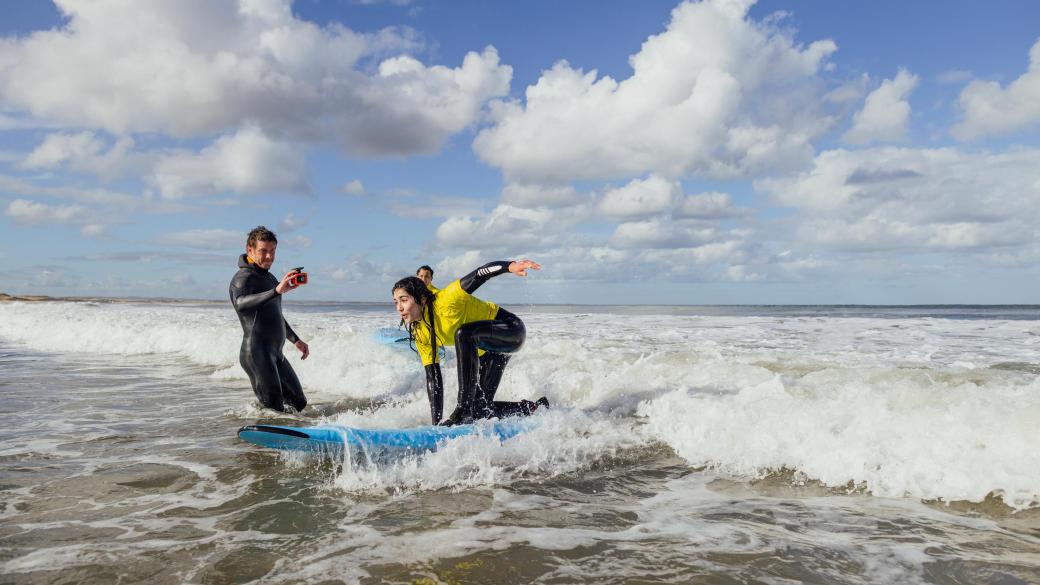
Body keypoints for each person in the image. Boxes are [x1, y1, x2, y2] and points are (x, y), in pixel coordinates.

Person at [392, 259, 549, 426]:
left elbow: (479, 274)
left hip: (511, 330)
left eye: (404, 300)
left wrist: (509, 267)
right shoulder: (421, 332)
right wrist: (435, 426)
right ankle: (534, 408)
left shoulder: (446, 301)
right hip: (489, 353)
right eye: (396, 302)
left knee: (464, 334)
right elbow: (433, 377)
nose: (399, 307)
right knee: (481, 410)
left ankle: (462, 410)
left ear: (421, 299)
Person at [229, 226, 310, 412]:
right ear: (250, 250)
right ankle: (257, 436)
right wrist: (276, 291)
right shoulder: (243, 278)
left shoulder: (270, 278)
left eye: (272, 251)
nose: (269, 256)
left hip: (275, 353)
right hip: (256, 353)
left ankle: (293, 435)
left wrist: (295, 340)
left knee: (299, 403)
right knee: (274, 408)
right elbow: (240, 304)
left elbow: (274, 313)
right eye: (263, 251)